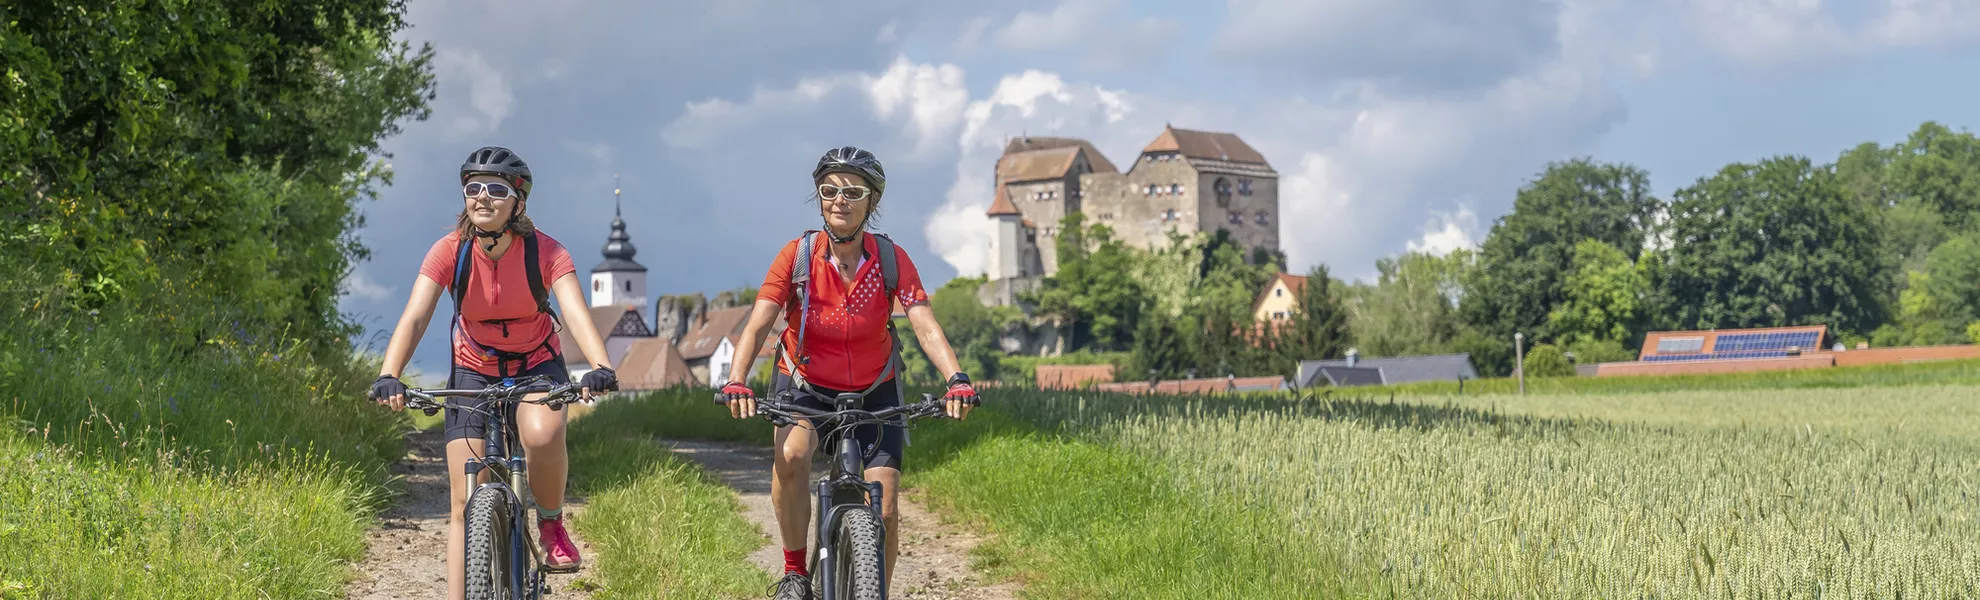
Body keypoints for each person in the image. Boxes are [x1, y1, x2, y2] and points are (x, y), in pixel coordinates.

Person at [720, 146, 980, 600]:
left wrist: (956, 379)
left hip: (875, 390)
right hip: (804, 385)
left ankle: (871, 590)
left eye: (853, 191)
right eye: (829, 190)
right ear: (819, 198)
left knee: (886, 508)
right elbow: (759, 320)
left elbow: (924, 323)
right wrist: (737, 378)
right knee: (794, 456)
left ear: (871, 202)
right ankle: (795, 572)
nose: (840, 199)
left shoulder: (891, 260)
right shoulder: (798, 256)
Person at [367, 146, 619, 600]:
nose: (482, 197)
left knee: (542, 435)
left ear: (518, 201)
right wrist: (390, 373)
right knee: (465, 497)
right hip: (472, 369)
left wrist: (601, 365)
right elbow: (415, 317)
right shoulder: (450, 250)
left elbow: (577, 313)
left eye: (496, 189)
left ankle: (550, 523)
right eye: (472, 188)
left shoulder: (546, 251)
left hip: (536, 364)